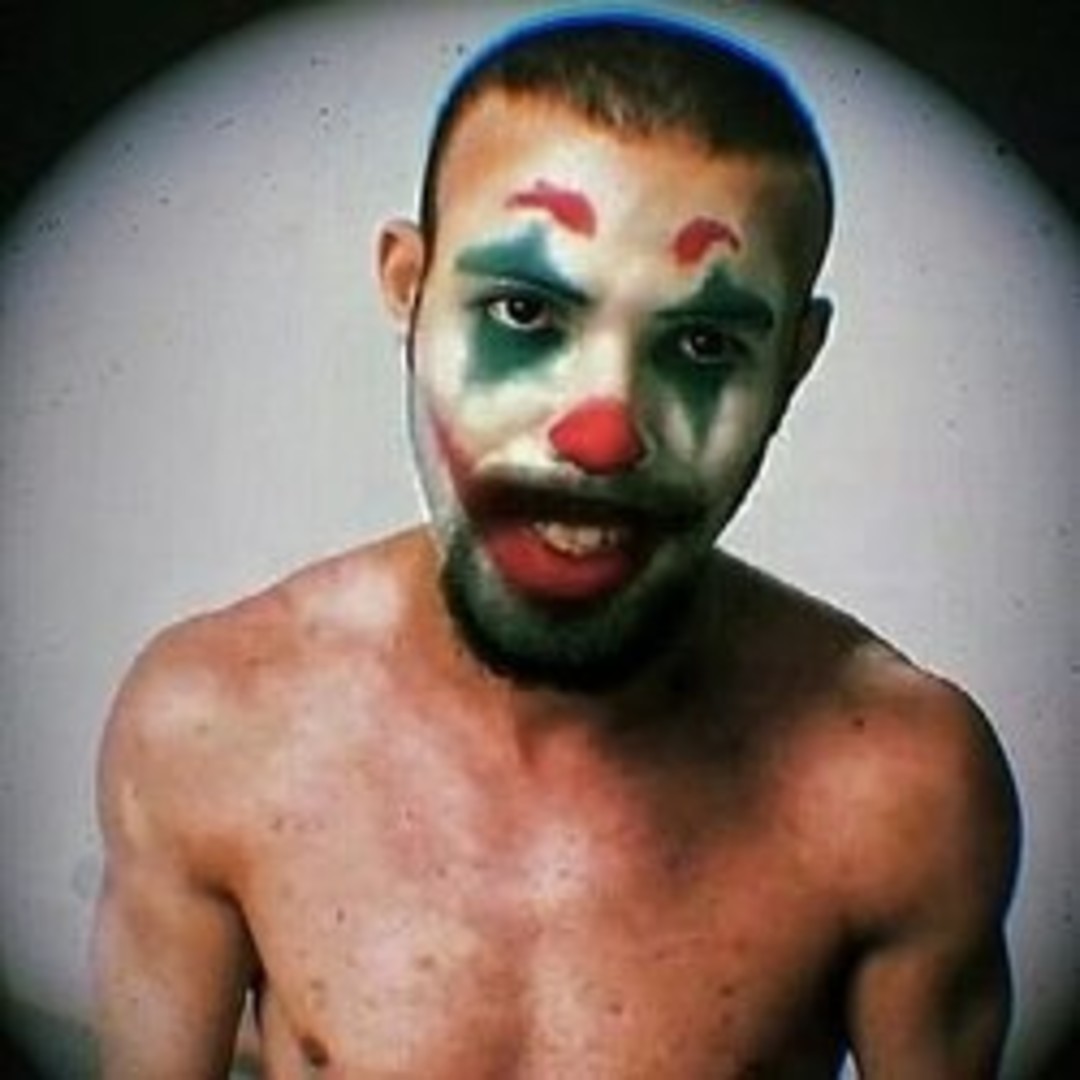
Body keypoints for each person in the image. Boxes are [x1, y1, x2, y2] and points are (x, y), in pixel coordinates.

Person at [92, 10, 1020, 1078]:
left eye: (704, 342)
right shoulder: (211, 724)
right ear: (408, 287)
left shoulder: (904, 785)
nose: (601, 434)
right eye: (525, 315)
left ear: (795, 362)